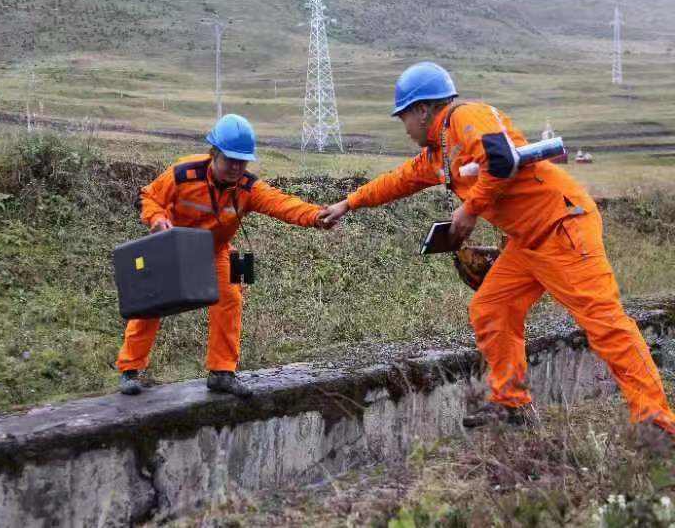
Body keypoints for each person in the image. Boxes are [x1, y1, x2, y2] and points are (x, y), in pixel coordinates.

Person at [318, 62, 675, 433]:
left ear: (422, 110)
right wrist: (349, 203)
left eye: (403, 117)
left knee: (605, 324)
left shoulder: (466, 117)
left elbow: (501, 159)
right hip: (526, 241)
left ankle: (657, 422)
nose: (404, 128)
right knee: (492, 308)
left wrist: (470, 209)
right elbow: (398, 180)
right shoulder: (438, 153)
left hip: (562, 226)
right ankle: (511, 403)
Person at [118, 114, 332, 397]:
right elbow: (149, 197)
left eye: (242, 162)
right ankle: (130, 370)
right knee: (151, 302)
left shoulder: (248, 188)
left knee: (230, 297)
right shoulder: (183, 174)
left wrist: (317, 216)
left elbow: (283, 204)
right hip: (172, 249)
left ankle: (221, 372)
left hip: (215, 251)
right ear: (214, 153)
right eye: (230, 160)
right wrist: (156, 219)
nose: (235, 167)